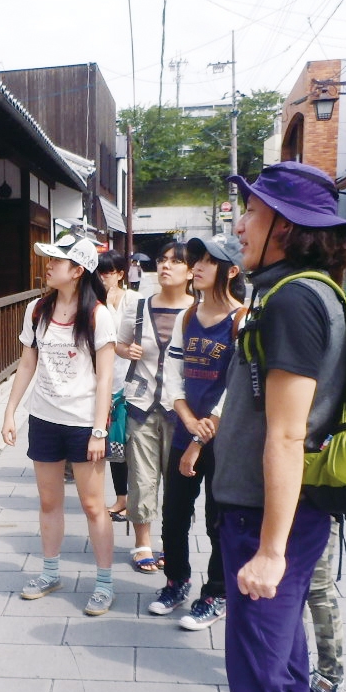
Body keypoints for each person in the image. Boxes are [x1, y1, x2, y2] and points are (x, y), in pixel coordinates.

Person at [193, 162, 346, 692]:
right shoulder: (291, 293)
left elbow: (288, 435)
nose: (240, 225)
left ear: (285, 228)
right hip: (264, 515)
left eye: (251, 215)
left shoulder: (294, 303)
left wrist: (267, 549)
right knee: (284, 673)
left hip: (270, 524)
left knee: (259, 686)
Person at [2, 232, 118, 615]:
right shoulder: (37, 310)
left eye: (56, 260)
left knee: (92, 505)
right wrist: (11, 411)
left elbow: (105, 378)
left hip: (84, 423)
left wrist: (100, 429)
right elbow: (28, 363)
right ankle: (50, 572)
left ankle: (104, 583)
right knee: (49, 501)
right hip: (45, 419)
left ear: (78, 270)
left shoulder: (98, 315)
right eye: (48, 259)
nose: (48, 265)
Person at [147, 236, 245, 625]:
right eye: (196, 260)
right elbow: (173, 374)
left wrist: (201, 434)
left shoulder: (243, 320)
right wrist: (187, 419)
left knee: (217, 519)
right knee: (173, 513)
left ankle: (216, 594)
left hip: (226, 438)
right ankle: (177, 580)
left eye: (209, 261)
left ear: (232, 270)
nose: (198, 267)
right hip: (187, 427)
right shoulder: (189, 316)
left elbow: (236, 387)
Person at [115, 241, 194, 574]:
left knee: (176, 482)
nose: (165, 266)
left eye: (175, 262)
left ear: (191, 272)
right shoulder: (138, 306)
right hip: (141, 404)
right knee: (142, 478)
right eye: (162, 260)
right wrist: (126, 350)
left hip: (183, 410)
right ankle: (142, 544)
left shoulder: (198, 312)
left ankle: (170, 544)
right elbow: (117, 344)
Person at [96, 250, 137, 523]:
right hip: (105, 380)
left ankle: (134, 498)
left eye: (108, 272)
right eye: (99, 272)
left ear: (120, 274)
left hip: (132, 380)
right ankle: (121, 497)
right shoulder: (95, 301)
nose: (103, 277)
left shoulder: (135, 300)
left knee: (132, 442)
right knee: (114, 443)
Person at [308, 523, 346, 692]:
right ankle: (299, 670)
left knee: (318, 588)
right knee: (293, 588)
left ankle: (331, 688)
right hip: (304, 504)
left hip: (317, 504)